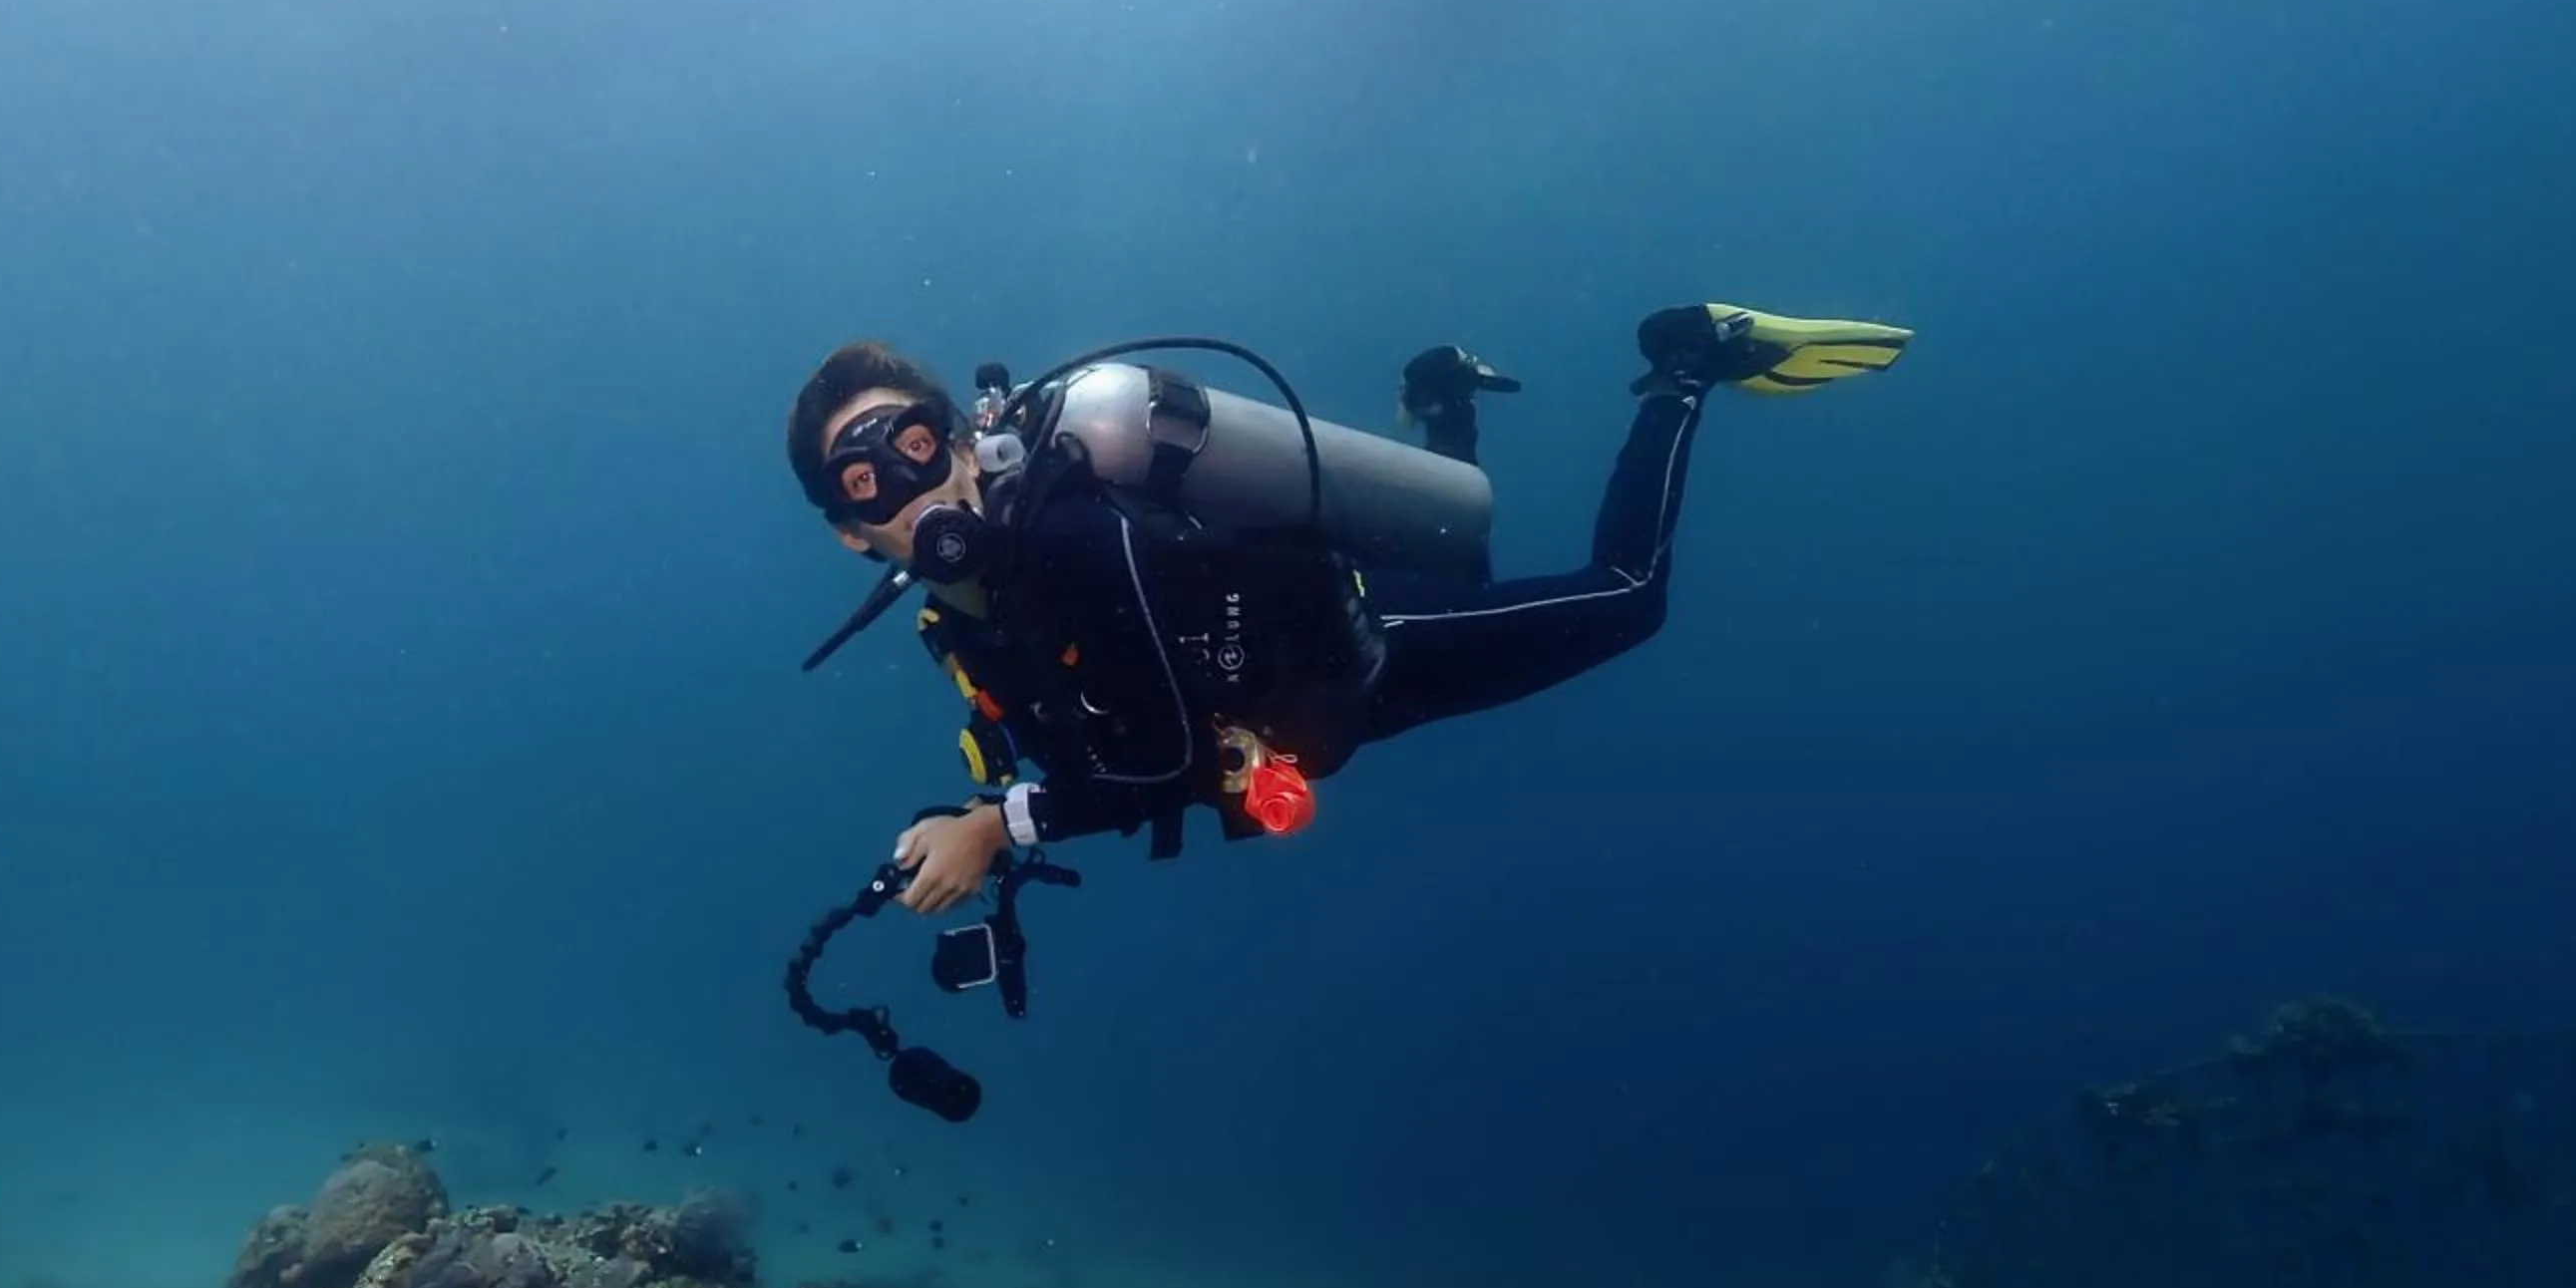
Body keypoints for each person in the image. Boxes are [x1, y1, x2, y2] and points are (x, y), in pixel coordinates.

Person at [783, 303, 1909, 915]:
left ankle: (1683, 366)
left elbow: (1163, 750)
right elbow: (1085, 728)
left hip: (1363, 656)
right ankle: (1440, 398)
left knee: (1630, 599)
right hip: (1320, 680)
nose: (916, 486)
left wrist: (998, 826)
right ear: (848, 527)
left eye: (919, 443)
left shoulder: (1069, 531)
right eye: (870, 479)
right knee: (1462, 564)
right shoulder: (954, 610)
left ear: (962, 439)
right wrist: (1004, 795)